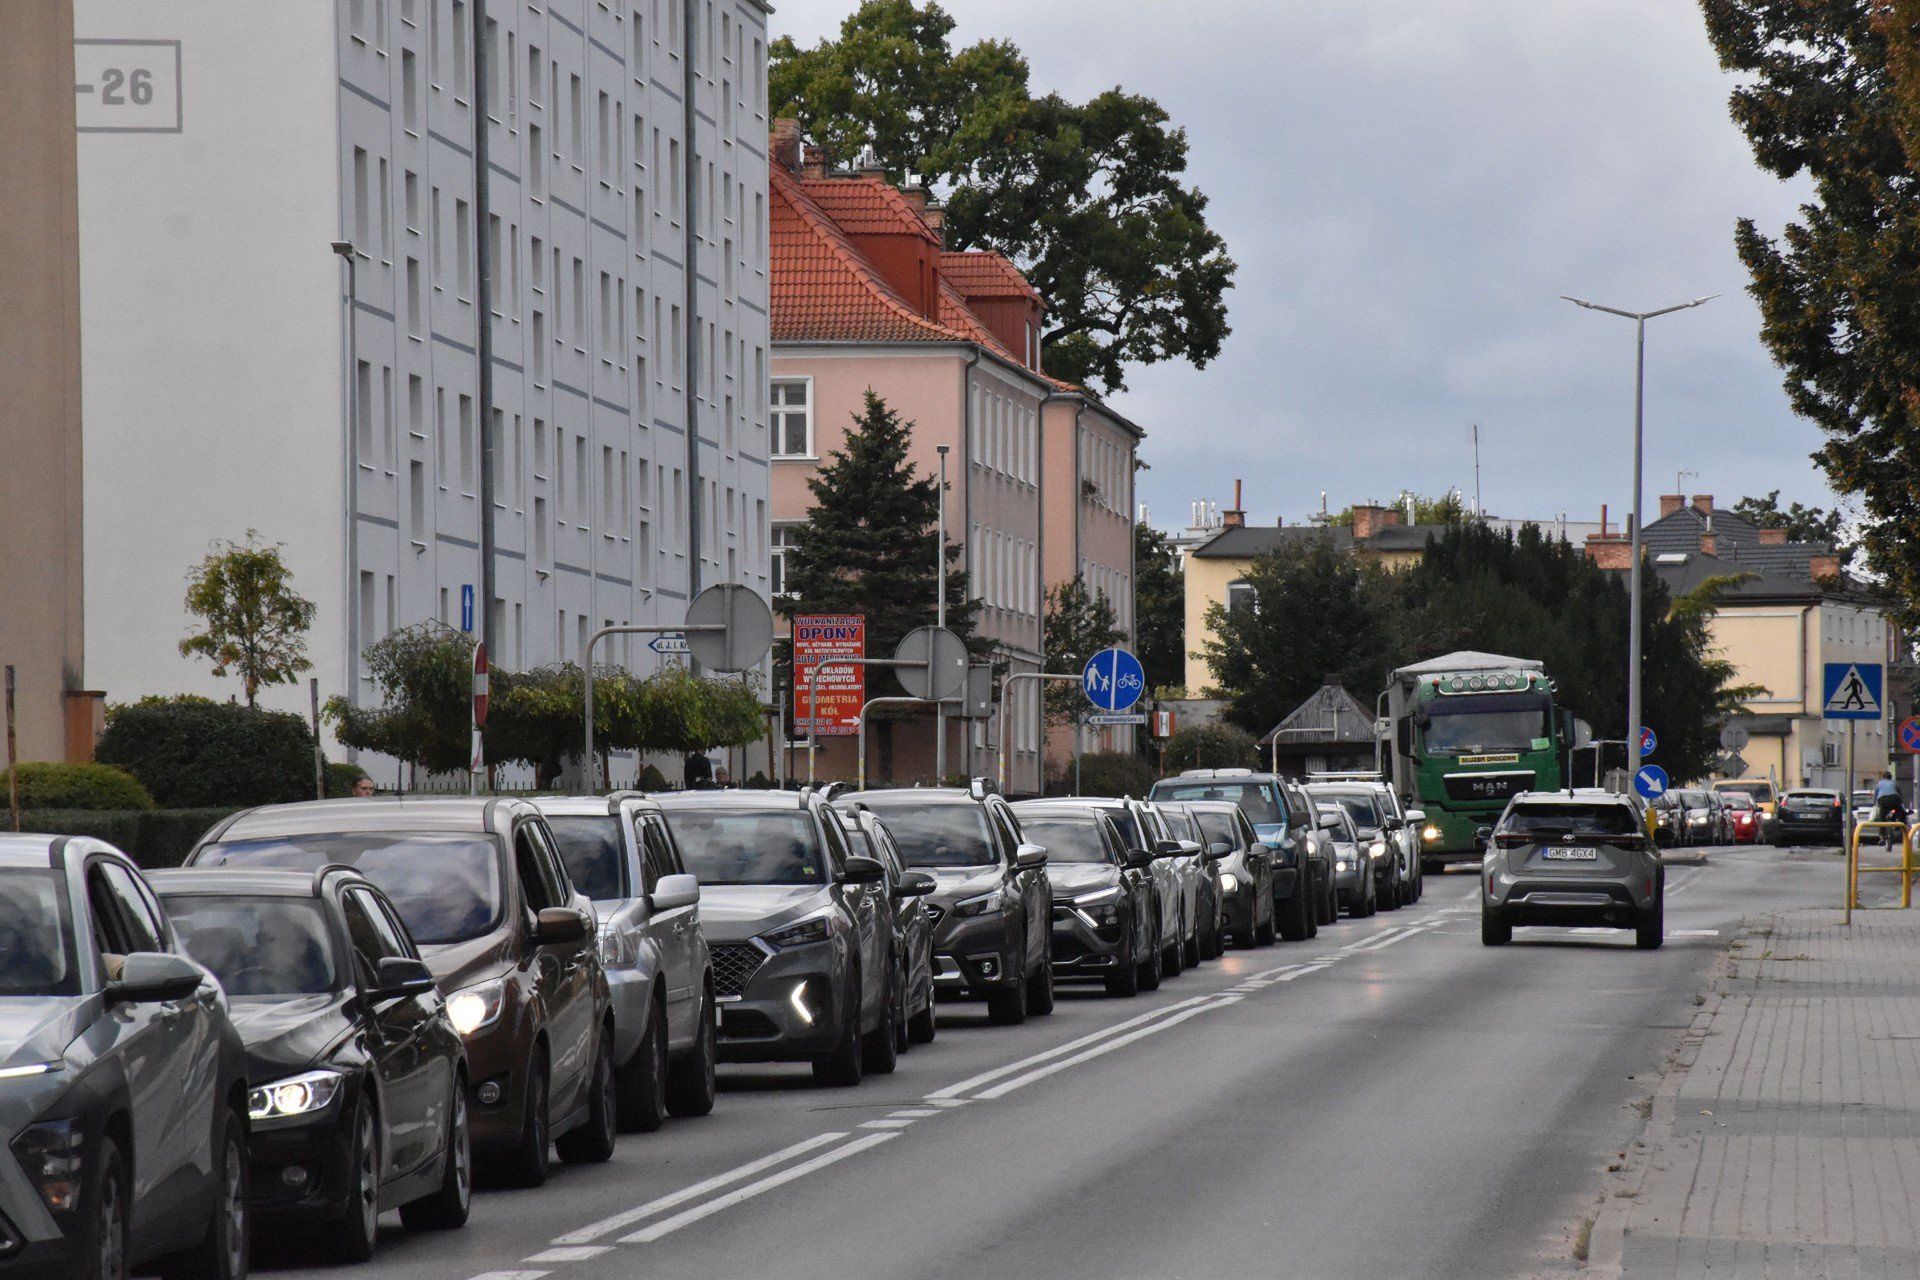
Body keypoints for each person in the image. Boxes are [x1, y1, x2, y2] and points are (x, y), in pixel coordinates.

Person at [1873, 771, 1906, 847]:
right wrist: (1900, 802)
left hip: (1883, 800)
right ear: (1890, 777)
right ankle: (1896, 824)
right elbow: (1900, 793)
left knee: (1882, 818)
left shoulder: (1879, 783)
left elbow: (1876, 794)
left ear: (1883, 777)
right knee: (1896, 810)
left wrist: (1875, 803)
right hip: (1894, 799)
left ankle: (1882, 837)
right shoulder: (1895, 783)